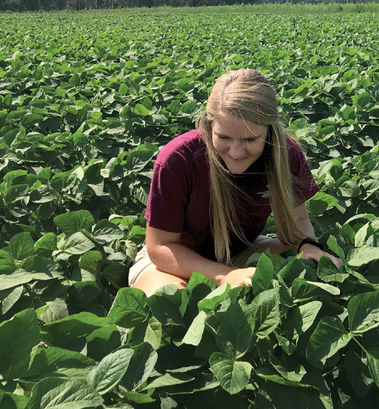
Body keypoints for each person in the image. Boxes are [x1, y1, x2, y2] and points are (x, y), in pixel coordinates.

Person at [128, 68, 341, 297]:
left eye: (250, 139)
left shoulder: (285, 153)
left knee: (304, 265)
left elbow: (298, 219)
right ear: (210, 125)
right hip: (176, 261)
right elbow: (159, 248)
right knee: (171, 302)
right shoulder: (178, 159)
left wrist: (306, 245)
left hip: (242, 249)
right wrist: (223, 275)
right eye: (224, 137)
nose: (236, 151)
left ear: (269, 131)